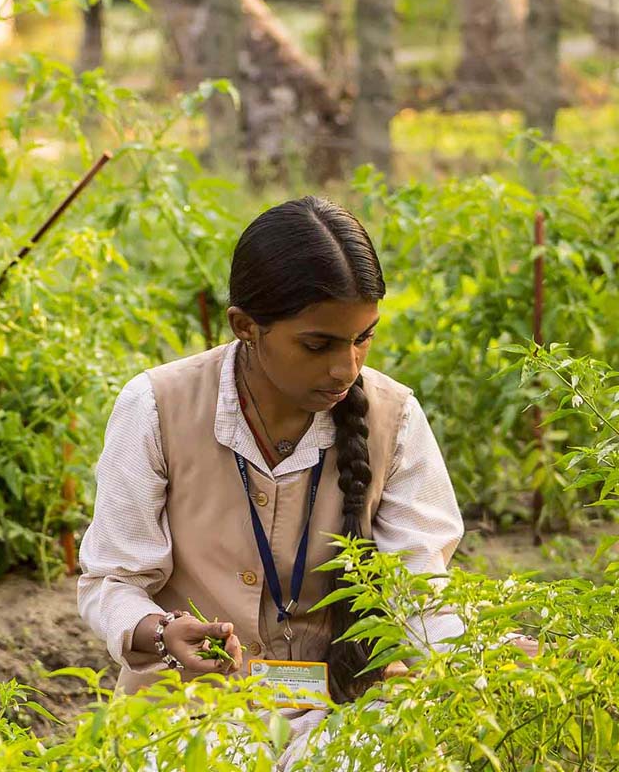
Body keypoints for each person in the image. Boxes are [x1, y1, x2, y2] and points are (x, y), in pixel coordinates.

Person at [76, 195, 535, 767]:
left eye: (363, 338)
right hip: (194, 709)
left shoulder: (394, 417)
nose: (347, 368)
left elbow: (417, 589)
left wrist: (479, 657)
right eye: (318, 345)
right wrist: (161, 630)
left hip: (348, 703)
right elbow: (110, 581)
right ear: (246, 326)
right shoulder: (156, 407)